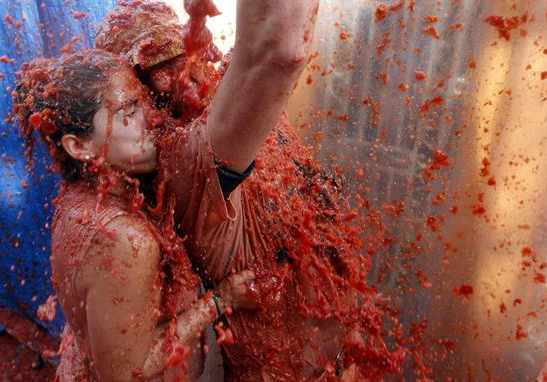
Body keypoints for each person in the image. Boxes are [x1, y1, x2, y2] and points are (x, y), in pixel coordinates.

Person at [94, 1, 386, 380]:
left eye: (171, 42)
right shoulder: (187, 163)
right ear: (142, 98)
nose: (173, 74)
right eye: (151, 69)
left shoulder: (221, 91)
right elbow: (280, 49)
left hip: (352, 360)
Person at [13, 51, 257, 381]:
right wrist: (219, 300)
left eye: (143, 103)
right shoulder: (124, 240)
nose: (151, 119)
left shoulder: (79, 195)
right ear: (79, 147)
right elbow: (126, 374)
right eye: (128, 112)